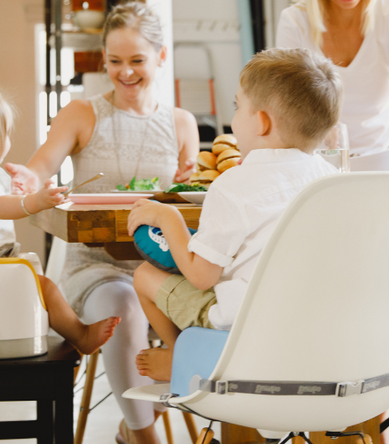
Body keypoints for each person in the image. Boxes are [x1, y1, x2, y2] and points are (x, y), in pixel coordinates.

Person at [6, 1, 200, 444]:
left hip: (163, 272)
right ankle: (144, 435)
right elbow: (42, 166)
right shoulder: (82, 113)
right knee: (123, 305)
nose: (125, 72)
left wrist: (190, 180)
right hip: (95, 270)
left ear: (161, 57)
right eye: (115, 62)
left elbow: (190, 197)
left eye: (137, 61)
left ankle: (143, 424)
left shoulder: (182, 124)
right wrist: (27, 178)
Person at [127, 48, 343, 382]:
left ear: (261, 122)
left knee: (143, 275)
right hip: (317, 327)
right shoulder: (332, 180)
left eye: (237, 106)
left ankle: (184, 358)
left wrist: (169, 219)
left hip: (245, 325)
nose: (234, 116)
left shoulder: (233, 185)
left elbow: (202, 277)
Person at [0, 80, 120, 356]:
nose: (8, 140)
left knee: (37, 282)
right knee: (46, 288)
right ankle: (82, 335)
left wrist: (21, 192)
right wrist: (35, 201)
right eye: (5, 133)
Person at [276, 0, 387, 157]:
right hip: (316, 163)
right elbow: (286, 109)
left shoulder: (386, 15)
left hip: (380, 159)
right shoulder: (294, 23)